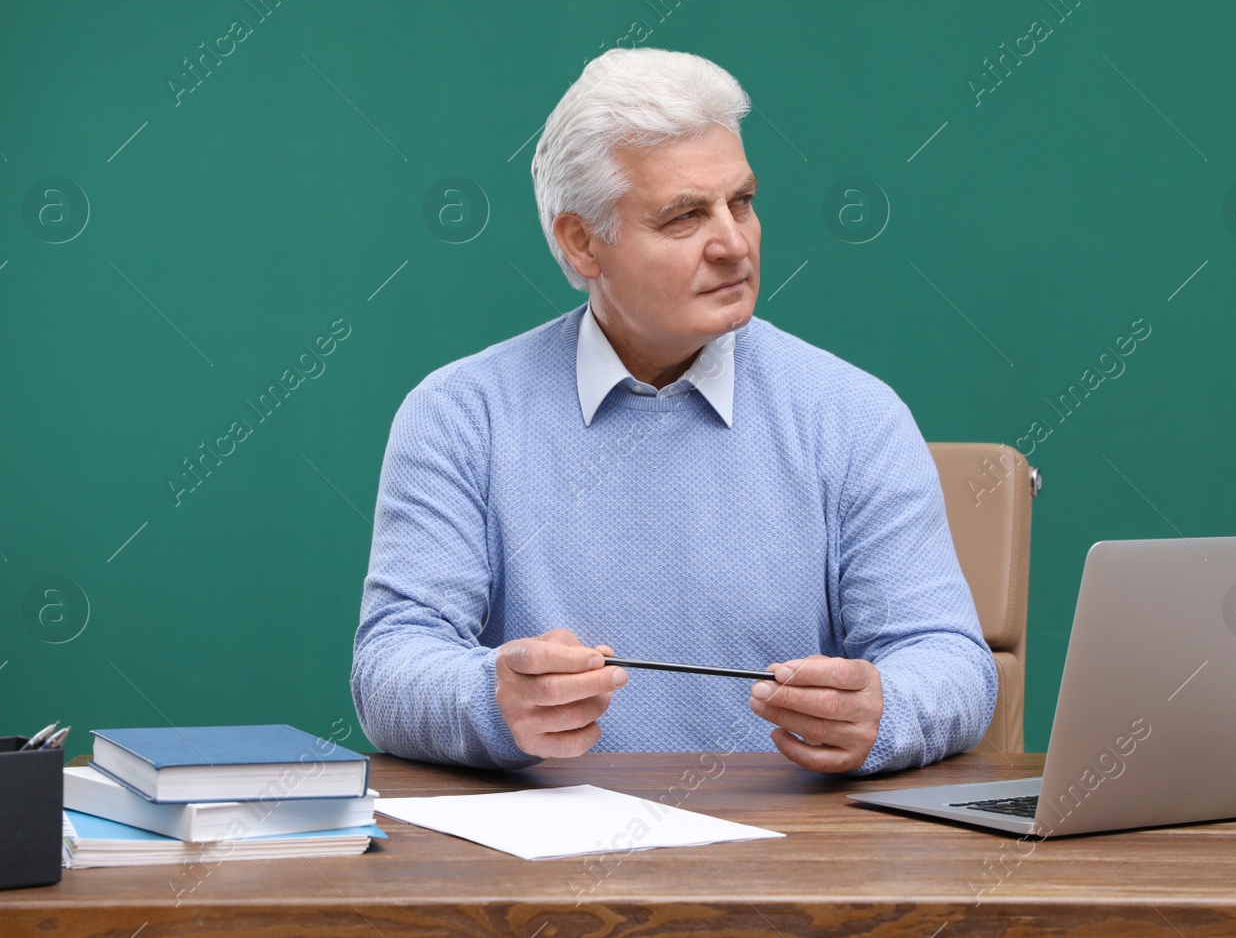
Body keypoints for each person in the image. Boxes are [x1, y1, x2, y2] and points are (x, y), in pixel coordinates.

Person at [350, 48, 995, 775]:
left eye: (742, 202)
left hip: (793, 864)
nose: (733, 243)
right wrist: (487, 699)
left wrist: (887, 710)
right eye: (685, 216)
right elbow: (390, 665)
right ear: (581, 241)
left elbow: (952, 662)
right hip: (539, 865)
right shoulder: (459, 414)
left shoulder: (854, 414)